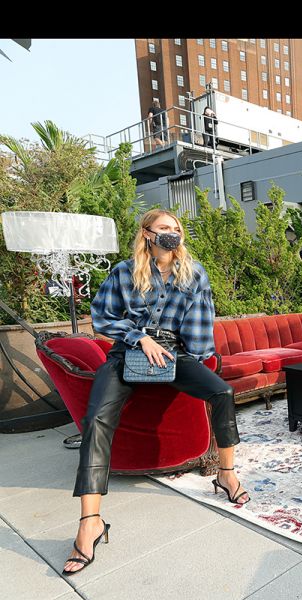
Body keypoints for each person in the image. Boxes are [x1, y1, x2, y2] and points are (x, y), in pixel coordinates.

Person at [62, 210, 248, 575]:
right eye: (164, 229)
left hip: (173, 353)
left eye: (176, 229)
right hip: (125, 353)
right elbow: (101, 317)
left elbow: (199, 326)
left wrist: (194, 364)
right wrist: (139, 337)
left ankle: (226, 474)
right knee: (97, 418)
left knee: (223, 392)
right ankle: (90, 522)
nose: (172, 234)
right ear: (147, 233)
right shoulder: (123, 271)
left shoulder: (194, 274)